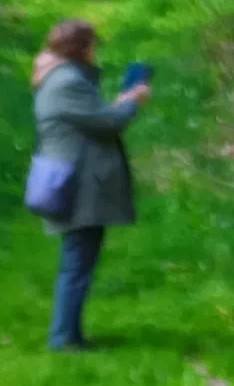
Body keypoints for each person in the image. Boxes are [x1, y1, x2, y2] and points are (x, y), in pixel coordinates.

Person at [29, 20, 149, 353]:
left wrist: (119, 102)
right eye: (93, 45)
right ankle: (63, 338)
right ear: (81, 48)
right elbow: (108, 124)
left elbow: (90, 120)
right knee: (77, 263)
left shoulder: (60, 78)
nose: (96, 51)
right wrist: (133, 101)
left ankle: (71, 334)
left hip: (74, 177)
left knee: (79, 261)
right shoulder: (67, 81)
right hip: (77, 182)